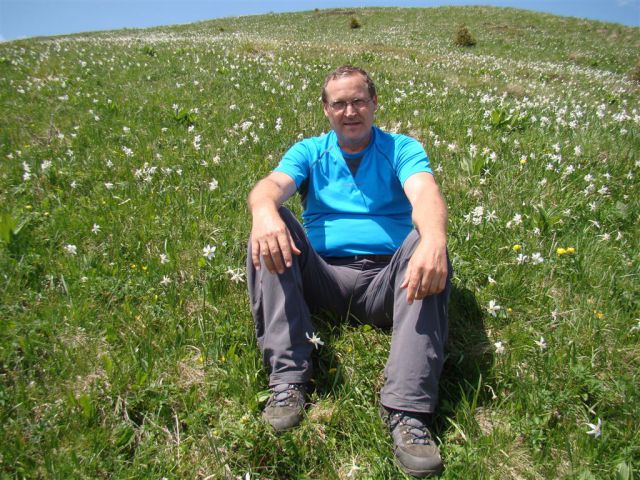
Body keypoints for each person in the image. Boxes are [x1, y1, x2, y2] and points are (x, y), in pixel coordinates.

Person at [246, 65, 452, 478]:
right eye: (339, 103)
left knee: (425, 242)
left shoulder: (401, 148)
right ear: (326, 109)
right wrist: (264, 210)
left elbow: (425, 192)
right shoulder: (310, 150)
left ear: (374, 104)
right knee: (271, 228)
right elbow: (271, 185)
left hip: (390, 282)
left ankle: (407, 411)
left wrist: (434, 238)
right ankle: (288, 380)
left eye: (359, 100)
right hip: (323, 276)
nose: (350, 111)